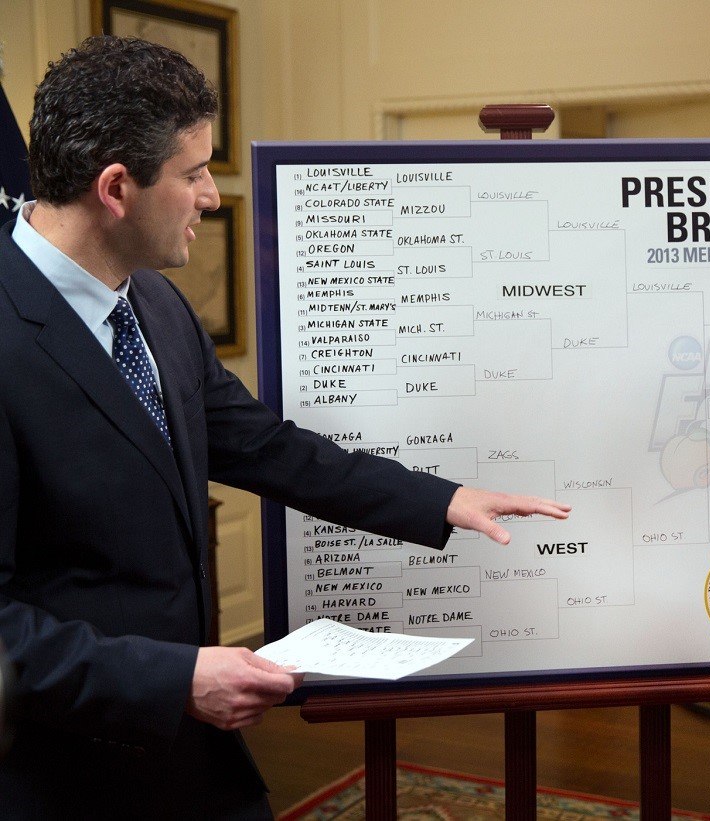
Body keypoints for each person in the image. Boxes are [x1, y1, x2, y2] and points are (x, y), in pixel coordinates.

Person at [0, 36, 570, 819]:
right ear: (115, 188)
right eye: (194, 172)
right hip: (62, 780)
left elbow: (269, 447)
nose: (210, 195)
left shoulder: (157, 306)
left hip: (193, 763)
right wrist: (175, 681)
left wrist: (442, 498)